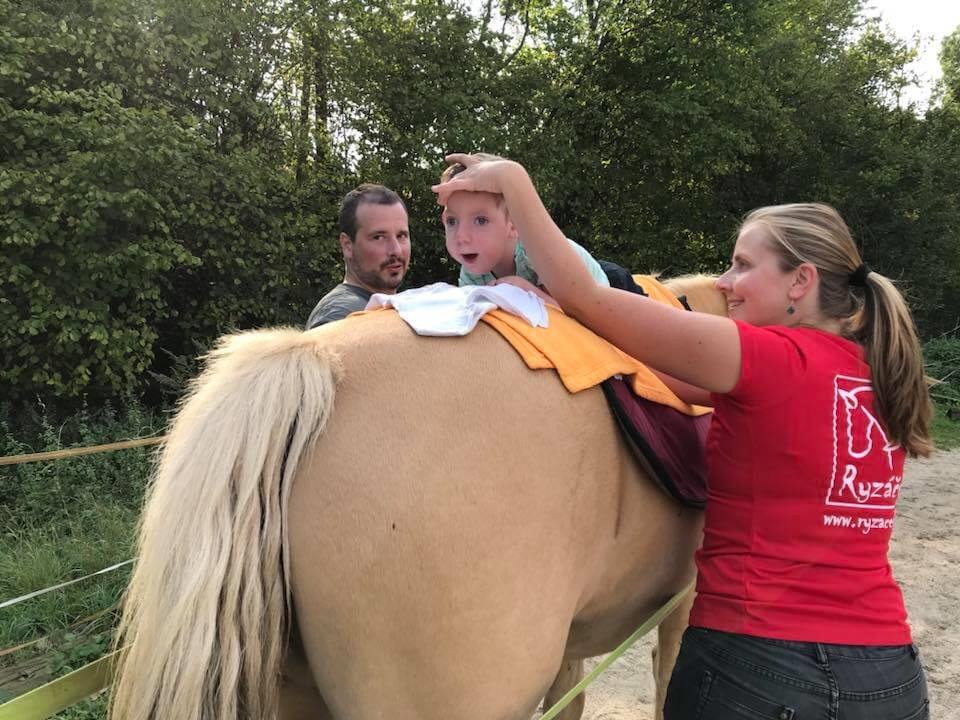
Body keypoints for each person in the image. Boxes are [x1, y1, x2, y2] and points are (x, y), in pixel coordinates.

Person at [434, 154, 933, 719]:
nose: (725, 283)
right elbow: (640, 369)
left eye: (743, 265)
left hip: (758, 668)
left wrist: (514, 182)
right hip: (889, 675)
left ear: (801, 280)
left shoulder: (765, 358)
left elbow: (588, 296)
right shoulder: (879, 373)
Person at [439, 154, 609, 297]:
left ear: (514, 224)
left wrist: (530, 293)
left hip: (601, 289)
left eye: (481, 220)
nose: (461, 236)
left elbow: (576, 312)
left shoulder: (537, 253)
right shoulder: (470, 273)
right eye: (452, 221)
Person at [306, 184, 411, 329]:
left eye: (401, 236)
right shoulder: (340, 316)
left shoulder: (392, 309)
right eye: (378, 237)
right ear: (347, 245)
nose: (396, 250)